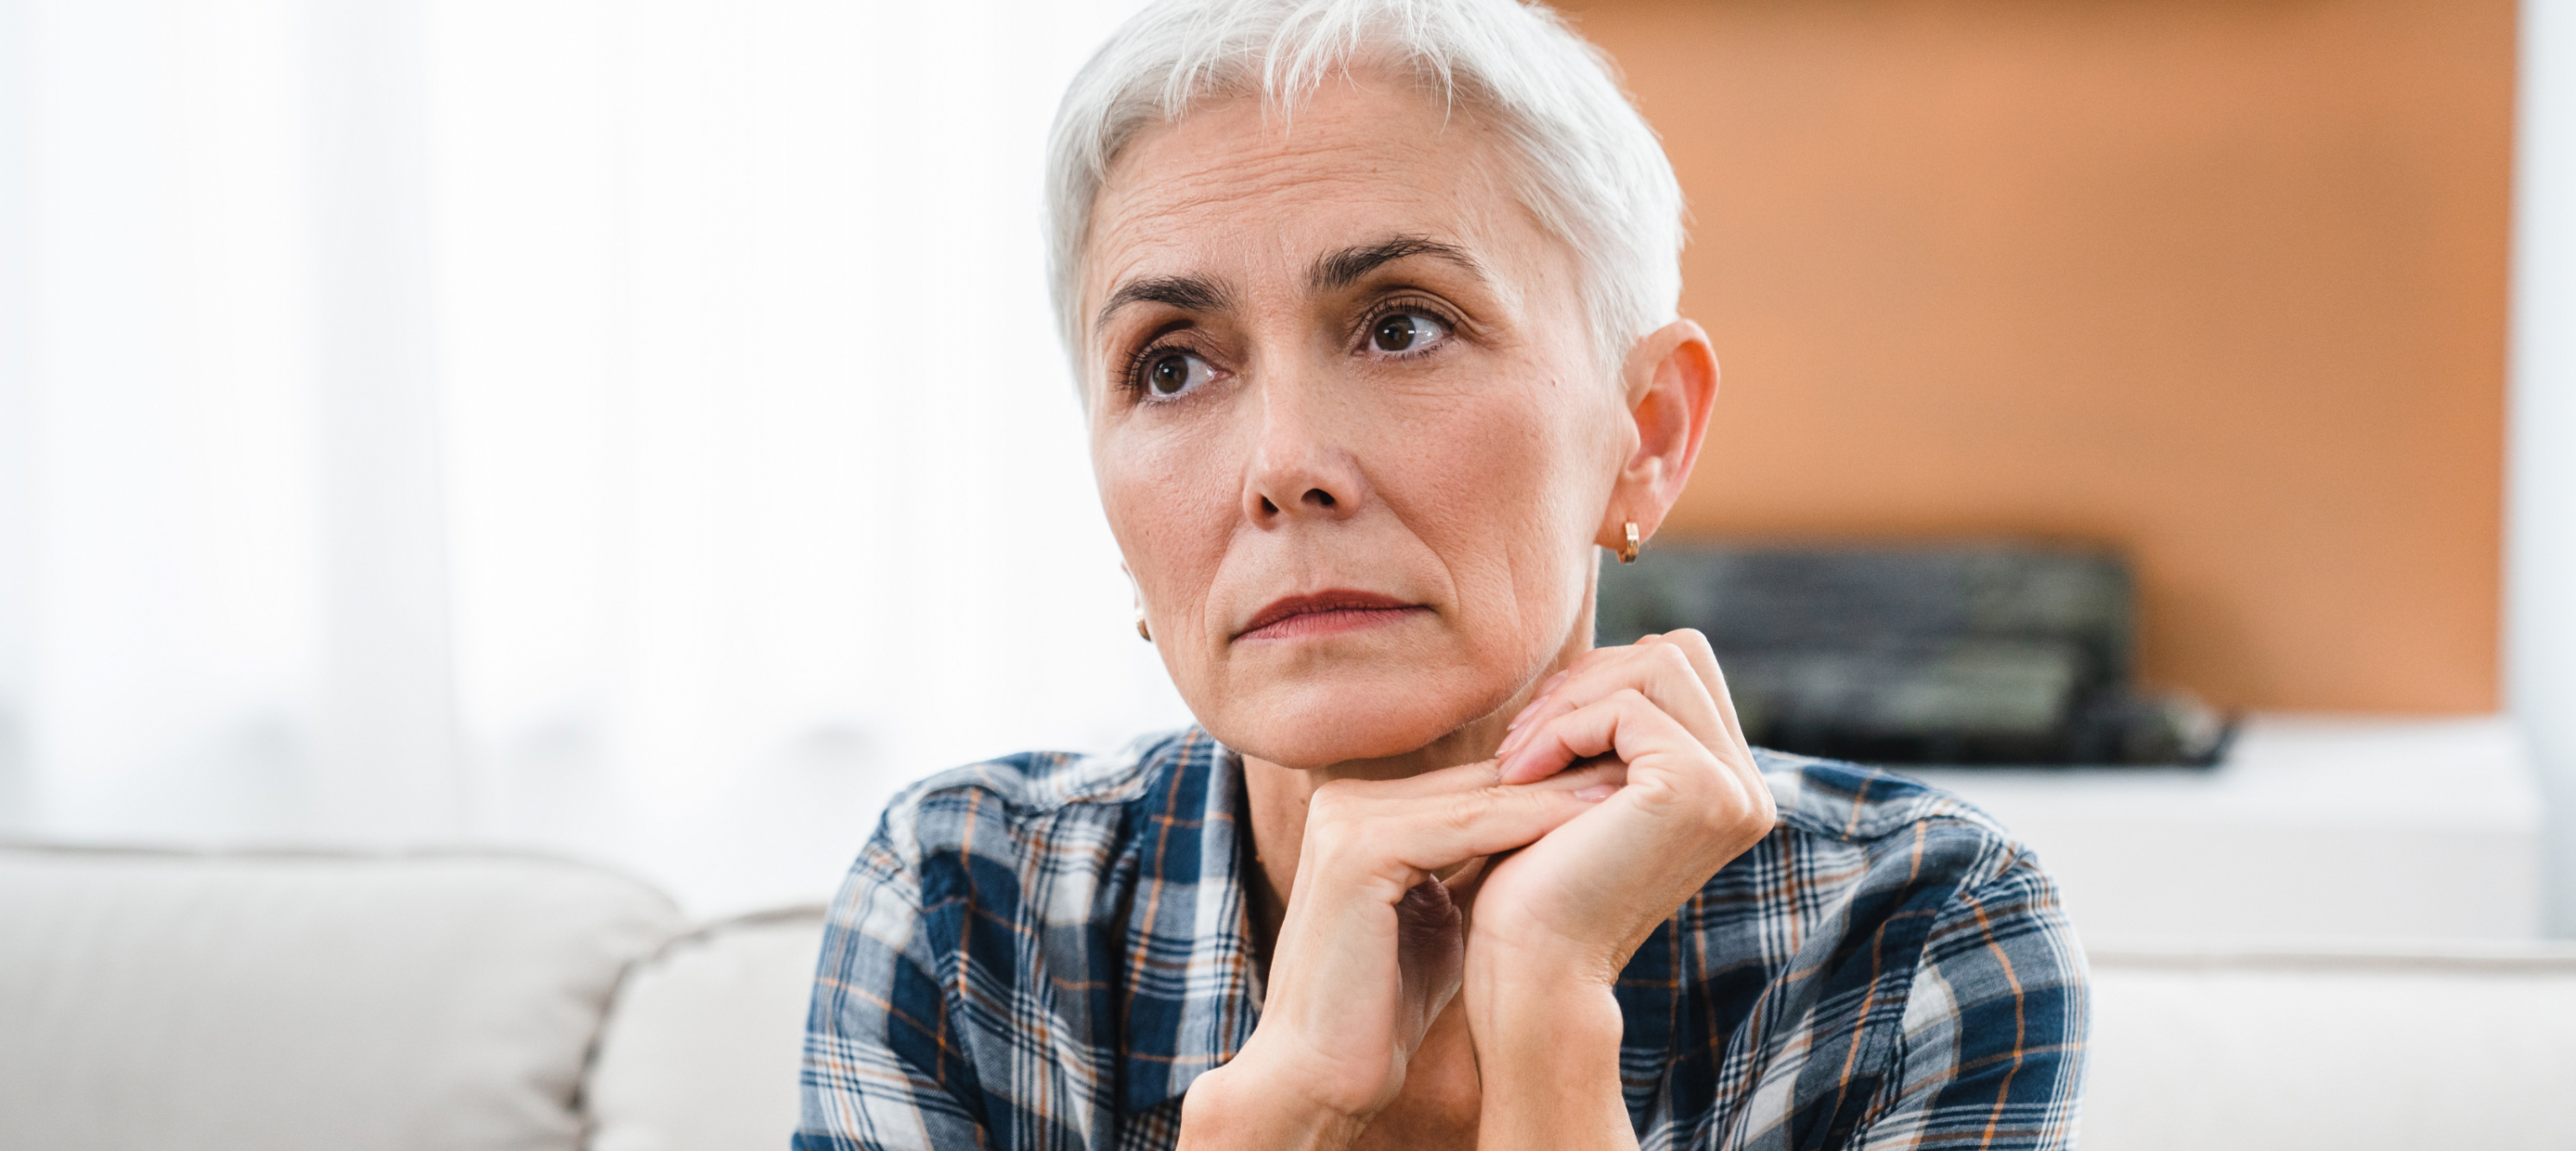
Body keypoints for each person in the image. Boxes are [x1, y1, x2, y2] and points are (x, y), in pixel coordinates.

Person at [796, 1, 2087, 1148]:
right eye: (1171, 364)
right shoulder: (967, 911)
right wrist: (1276, 1108)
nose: (1285, 465)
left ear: (1644, 435)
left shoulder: (1915, 938)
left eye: (1402, 326)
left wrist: (1549, 1022)